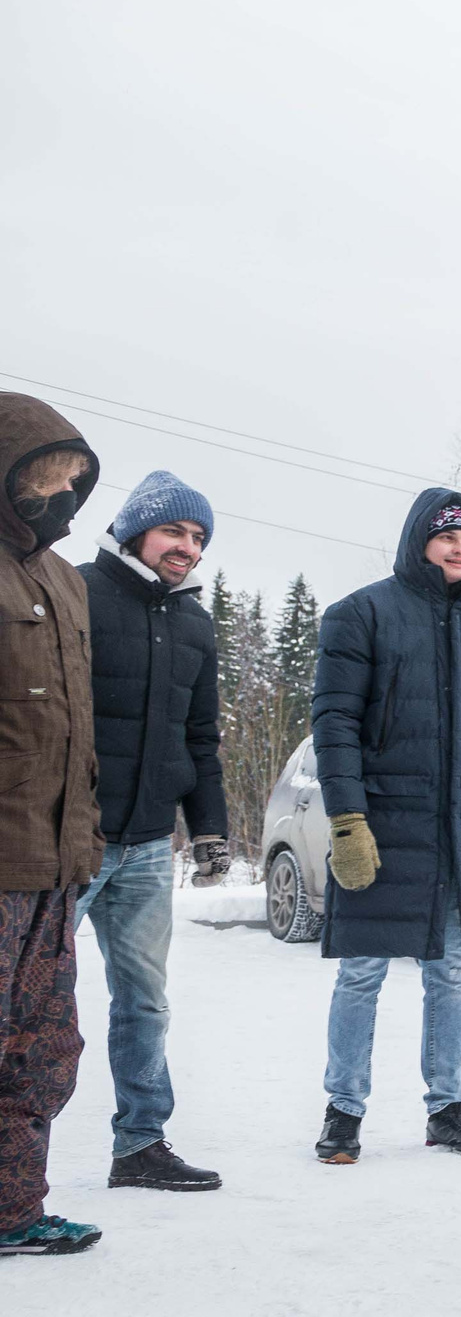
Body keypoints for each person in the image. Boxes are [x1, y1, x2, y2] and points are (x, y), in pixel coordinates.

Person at [308, 490, 461, 1164]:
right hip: (384, 824)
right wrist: (347, 820)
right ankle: (343, 1111)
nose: (459, 548)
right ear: (418, 540)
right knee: (360, 974)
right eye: (446, 536)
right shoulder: (362, 614)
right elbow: (335, 724)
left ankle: (447, 1110)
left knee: (452, 975)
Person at [73, 471, 228, 1193]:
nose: (187, 548)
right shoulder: (75, 592)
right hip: (65, 839)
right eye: (176, 531)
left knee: (144, 999)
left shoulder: (195, 623)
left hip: (142, 848)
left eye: (199, 538)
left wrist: (209, 830)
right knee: (22, 995)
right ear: (137, 527)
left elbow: (201, 739)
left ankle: (141, 1142)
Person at [0, 396, 104, 1257]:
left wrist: (88, 837)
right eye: (44, 483)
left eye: (72, 483)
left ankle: (13, 1210)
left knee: (42, 1047)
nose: (61, 501)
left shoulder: (66, 583)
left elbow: (77, 726)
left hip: (57, 858)